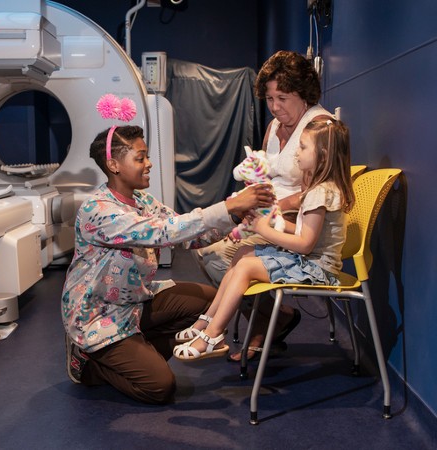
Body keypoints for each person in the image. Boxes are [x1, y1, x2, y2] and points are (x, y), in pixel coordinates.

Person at [62, 124, 274, 404]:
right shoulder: (97, 210)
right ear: (114, 165)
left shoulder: (143, 201)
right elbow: (164, 231)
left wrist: (235, 217)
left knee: (209, 301)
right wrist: (228, 206)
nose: (149, 163)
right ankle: (88, 363)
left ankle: (137, 350)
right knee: (159, 387)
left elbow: (189, 236)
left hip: (135, 302)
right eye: (140, 158)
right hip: (100, 316)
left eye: (146, 156)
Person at [173, 119, 354, 361]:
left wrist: (263, 229)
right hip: (310, 261)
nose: (296, 153)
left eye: (302, 147)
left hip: (318, 268)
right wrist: (268, 224)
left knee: (246, 266)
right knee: (241, 255)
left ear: (322, 155)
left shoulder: (320, 192)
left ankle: (214, 334)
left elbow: (305, 244)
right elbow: (302, 232)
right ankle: (207, 320)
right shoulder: (320, 188)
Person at [195, 50, 333, 361]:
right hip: (265, 217)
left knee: (220, 258)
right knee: (204, 250)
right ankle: (276, 315)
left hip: (292, 223)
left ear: (304, 91)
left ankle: (262, 322)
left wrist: (279, 205)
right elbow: (264, 173)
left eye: (283, 97)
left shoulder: (320, 127)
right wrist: (250, 201)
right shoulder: (273, 127)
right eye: (270, 99)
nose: (275, 107)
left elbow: (321, 190)